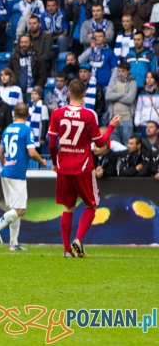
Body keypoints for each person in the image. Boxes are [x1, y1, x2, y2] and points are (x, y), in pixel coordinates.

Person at [48, 79, 121, 258]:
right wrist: (111, 126)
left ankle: (66, 250)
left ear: (68, 94)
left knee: (68, 207)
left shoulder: (57, 113)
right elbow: (100, 143)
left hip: (64, 167)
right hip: (83, 167)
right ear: (84, 95)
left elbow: (51, 143)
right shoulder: (89, 115)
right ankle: (78, 239)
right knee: (91, 205)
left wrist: (55, 162)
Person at [0, 103, 47, 251]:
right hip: (17, 173)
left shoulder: (7, 129)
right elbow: (31, 152)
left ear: (14, 114)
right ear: (28, 115)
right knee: (20, 210)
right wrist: (42, 160)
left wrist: (7, 164)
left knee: (14, 209)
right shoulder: (27, 130)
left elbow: (0, 153)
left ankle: (13, 243)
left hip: (6, 171)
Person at [105, 61, 137, 145]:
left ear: (128, 71)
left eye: (123, 71)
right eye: (119, 71)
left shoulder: (133, 83)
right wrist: (123, 94)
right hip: (113, 118)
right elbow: (107, 96)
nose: (120, 73)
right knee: (115, 145)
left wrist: (114, 96)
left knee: (127, 145)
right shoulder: (113, 82)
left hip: (127, 118)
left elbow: (130, 99)